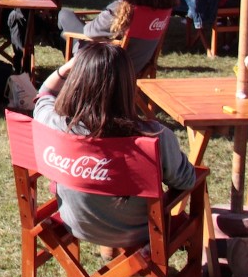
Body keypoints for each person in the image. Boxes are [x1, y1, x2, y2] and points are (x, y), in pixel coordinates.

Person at [34, 44, 196, 261]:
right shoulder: (154, 137)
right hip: (141, 232)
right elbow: (186, 181)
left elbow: (44, 93)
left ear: (77, 81)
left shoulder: (53, 125)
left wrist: (69, 66)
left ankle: (107, 257)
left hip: (76, 223)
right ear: (128, 85)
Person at [58, 0, 178, 73]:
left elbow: (89, 32)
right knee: (63, 33)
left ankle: (70, 70)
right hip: (137, 64)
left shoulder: (123, 9)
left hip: (107, 65)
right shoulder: (164, 9)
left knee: (64, 15)